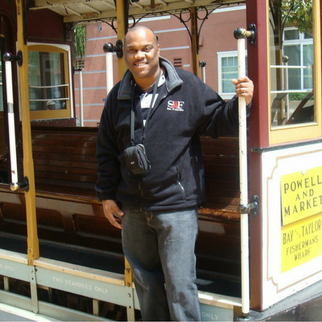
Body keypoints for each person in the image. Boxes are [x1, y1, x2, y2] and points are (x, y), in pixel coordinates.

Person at [96, 25, 254, 321]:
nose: (138, 55)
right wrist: (106, 196)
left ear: (158, 47)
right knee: (147, 284)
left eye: (145, 48)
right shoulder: (118, 96)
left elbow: (220, 121)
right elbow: (105, 150)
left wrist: (242, 102)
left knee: (180, 286)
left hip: (176, 209)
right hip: (133, 209)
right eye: (131, 50)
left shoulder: (187, 87)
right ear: (124, 54)